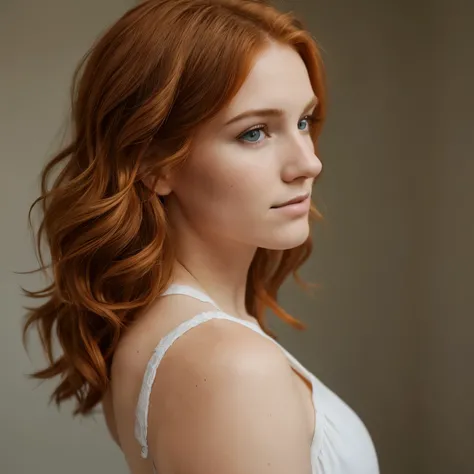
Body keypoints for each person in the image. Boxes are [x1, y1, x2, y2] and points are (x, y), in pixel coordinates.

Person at [21, 0, 380, 473]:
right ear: (153, 162)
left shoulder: (169, 334)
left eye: (303, 122)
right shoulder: (232, 368)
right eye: (254, 132)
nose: (309, 163)